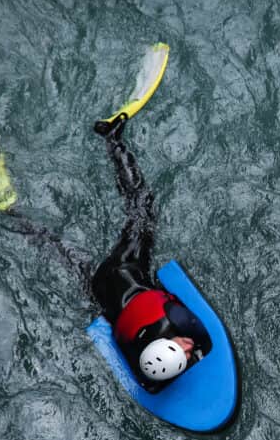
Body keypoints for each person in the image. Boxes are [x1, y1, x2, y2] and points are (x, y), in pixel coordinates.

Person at [87, 115, 210, 391]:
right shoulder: (168, 325)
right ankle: (112, 138)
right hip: (102, 290)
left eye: (180, 346)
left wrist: (187, 357)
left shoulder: (170, 319)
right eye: (186, 352)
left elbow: (154, 380)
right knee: (143, 205)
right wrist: (193, 352)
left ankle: (113, 140)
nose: (188, 345)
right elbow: (203, 338)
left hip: (124, 267)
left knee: (141, 209)